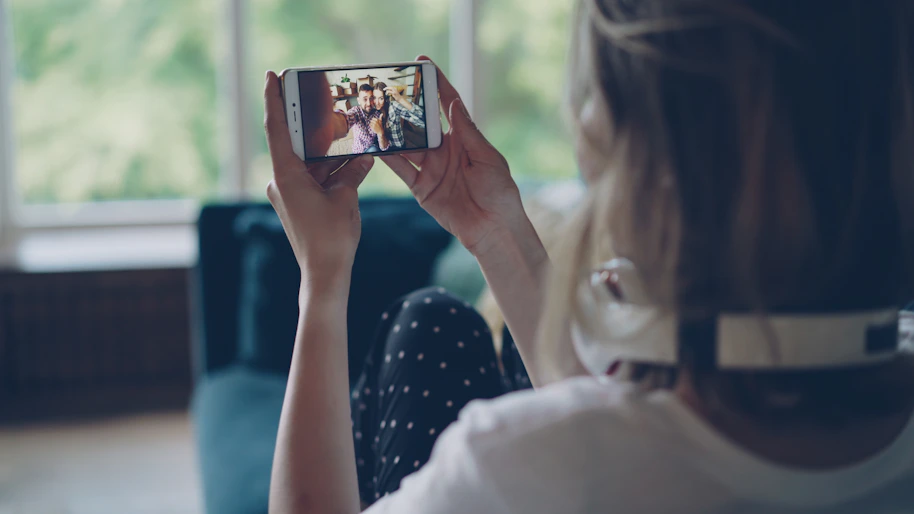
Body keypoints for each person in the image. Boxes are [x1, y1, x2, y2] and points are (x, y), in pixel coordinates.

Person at [261, 0, 914, 512]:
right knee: (434, 322)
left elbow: (600, 446)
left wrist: (322, 278)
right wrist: (493, 228)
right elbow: (619, 423)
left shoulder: (523, 461)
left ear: (643, 153)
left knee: (426, 324)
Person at [332, 83, 390, 154]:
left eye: (371, 98)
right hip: (357, 152)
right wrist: (336, 123)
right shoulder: (356, 112)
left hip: (372, 149)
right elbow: (347, 118)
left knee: (374, 149)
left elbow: (384, 148)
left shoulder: (378, 115)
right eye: (365, 99)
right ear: (359, 100)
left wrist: (381, 133)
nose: (369, 103)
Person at [373, 81, 426, 149]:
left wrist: (400, 99)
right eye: (374, 98)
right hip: (386, 148)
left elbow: (423, 120)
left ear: (386, 99)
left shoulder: (393, 107)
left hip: (398, 147)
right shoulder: (374, 111)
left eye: (381, 98)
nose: (377, 102)